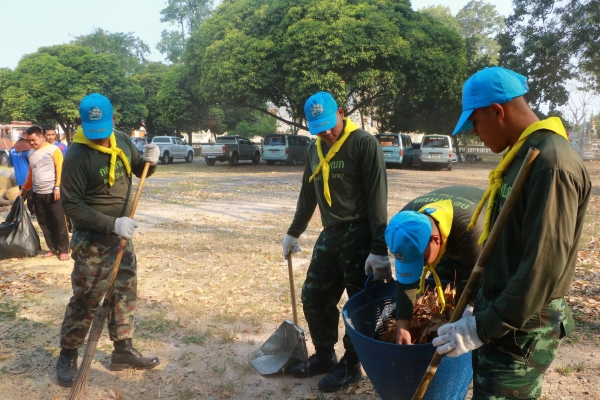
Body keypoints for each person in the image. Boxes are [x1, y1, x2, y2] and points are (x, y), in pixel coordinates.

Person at [431, 67, 591, 399]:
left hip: (524, 324)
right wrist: (480, 305)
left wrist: (483, 326)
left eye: (475, 122)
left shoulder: (552, 163)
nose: (475, 133)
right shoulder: (521, 155)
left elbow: (542, 266)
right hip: (503, 309)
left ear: (497, 111)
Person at [282, 91, 390, 392]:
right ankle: (325, 355)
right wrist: (294, 231)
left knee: (360, 306)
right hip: (330, 234)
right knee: (314, 295)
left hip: (360, 234)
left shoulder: (363, 143)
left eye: (329, 125)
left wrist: (379, 248)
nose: (326, 133)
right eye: (319, 129)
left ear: (341, 113)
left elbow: (377, 197)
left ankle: (352, 365)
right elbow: (308, 194)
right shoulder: (314, 149)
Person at [56, 93, 161, 387]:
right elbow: (71, 205)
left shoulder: (122, 139)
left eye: (103, 129)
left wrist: (152, 162)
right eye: (94, 132)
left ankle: (122, 350)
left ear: (113, 118)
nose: (100, 137)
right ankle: (68, 354)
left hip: (122, 237)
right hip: (93, 240)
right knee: (86, 299)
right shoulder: (77, 155)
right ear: (82, 123)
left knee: (123, 292)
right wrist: (112, 223)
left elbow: (139, 169)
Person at [384, 186, 484, 344]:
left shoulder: (470, 231)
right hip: (449, 231)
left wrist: (461, 323)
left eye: (420, 261)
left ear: (436, 240)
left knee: (477, 306)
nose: (420, 267)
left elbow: (469, 285)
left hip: (488, 233)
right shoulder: (403, 224)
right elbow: (406, 281)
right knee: (443, 276)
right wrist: (402, 326)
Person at [19, 126, 70, 260]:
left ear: (41, 137)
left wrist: (57, 187)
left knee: (58, 221)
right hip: (37, 193)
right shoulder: (31, 153)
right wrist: (25, 189)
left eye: (34, 140)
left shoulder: (53, 150)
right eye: (29, 141)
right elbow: (31, 173)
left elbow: (60, 169)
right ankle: (52, 248)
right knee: (44, 222)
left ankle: (64, 249)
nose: (31, 143)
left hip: (53, 192)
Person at [8, 130, 34, 214]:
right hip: (28, 178)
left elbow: (11, 163)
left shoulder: (12, 149)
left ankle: (15, 212)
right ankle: (31, 212)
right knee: (30, 197)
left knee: (22, 196)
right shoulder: (27, 150)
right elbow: (33, 163)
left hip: (19, 178)